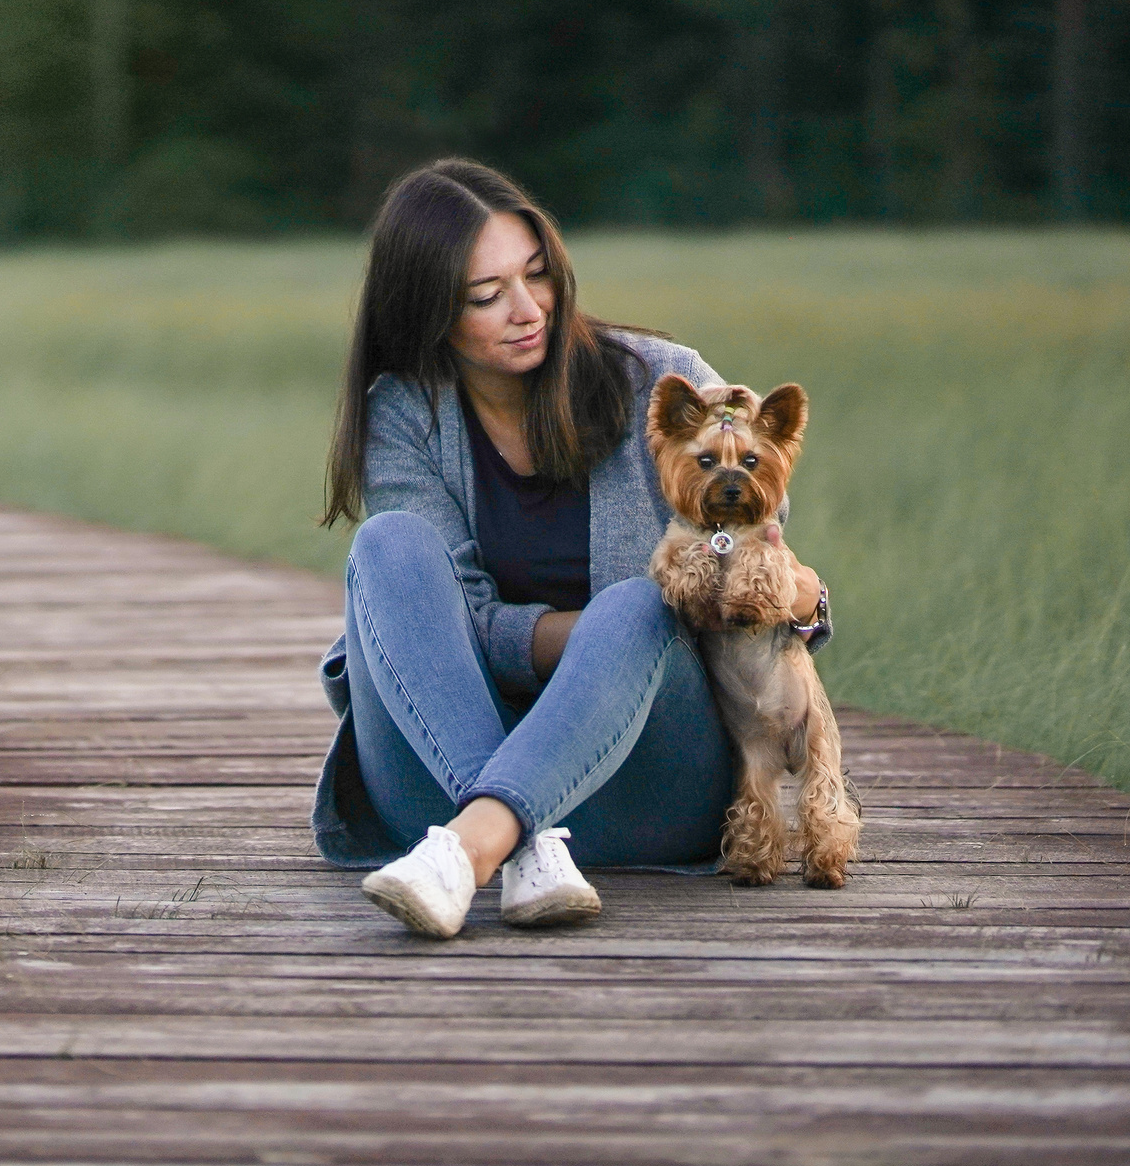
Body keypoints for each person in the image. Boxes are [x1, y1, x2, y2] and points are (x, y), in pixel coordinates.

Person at [311, 158, 829, 937]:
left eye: (538, 275)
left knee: (636, 604)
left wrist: (802, 600)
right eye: (486, 295)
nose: (528, 309)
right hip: (432, 793)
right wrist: (595, 642)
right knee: (388, 545)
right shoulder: (405, 413)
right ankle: (511, 839)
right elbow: (463, 625)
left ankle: (476, 844)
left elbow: (764, 551)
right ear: (425, 312)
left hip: (645, 788)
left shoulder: (665, 382)